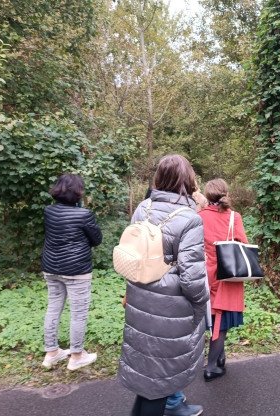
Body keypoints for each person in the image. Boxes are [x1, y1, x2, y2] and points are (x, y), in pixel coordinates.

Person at [117, 155, 208, 416]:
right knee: (159, 380)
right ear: (188, 180)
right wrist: (200, 305)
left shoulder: (143, 207)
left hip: (140, 298)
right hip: (170, 308)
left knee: (149, 374)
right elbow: (191, 277)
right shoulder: (190, 218)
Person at [41, 174, 102, 370]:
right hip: (76, 270)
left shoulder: (48, 211)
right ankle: (76, 357)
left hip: (51, 268)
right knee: (78, 315)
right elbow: (97, 239)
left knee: (53, 308)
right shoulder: (84, 215)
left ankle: (51, 353)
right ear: (77, 192)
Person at [198, 178, 248, 381]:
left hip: (205, 276)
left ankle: (220, 357)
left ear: (207, 195)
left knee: (211, 318)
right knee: (221, 321)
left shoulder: (199, 216)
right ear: (226, 193)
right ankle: (211, 367)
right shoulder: (234, 217)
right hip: (227, 276)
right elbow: (243, 243)